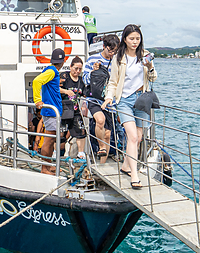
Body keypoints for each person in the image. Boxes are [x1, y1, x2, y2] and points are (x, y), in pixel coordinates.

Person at [103, 24, 157, 189]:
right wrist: (108, 98)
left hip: (142, 100)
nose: (135, 42)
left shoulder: (146, 56)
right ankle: (134, 175)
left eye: (137, 38)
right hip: (124, 101)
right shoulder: (118, 58)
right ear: (124, 39)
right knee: (132, 136)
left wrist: (149, 67)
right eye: (131, 38)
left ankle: (126, 165)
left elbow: (153, 78)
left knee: (139, 137)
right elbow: (113, 82)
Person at [83, 34, 120, 162]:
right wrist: (93, 72)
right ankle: (101, 147)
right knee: (100, 120)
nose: (112, 54)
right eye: (110, 50)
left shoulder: (117, 62)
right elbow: (85, 80)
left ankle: (102, 165)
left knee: (108, 134)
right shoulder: (93, 59)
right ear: (104, 47)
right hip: (94, 98)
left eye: (115, 51)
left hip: (110, 101)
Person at [33, 47, 66, 175]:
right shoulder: (52, 71)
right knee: (49, 140)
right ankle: (44, 168)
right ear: (63, 62)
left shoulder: (50, 70)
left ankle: (49, 165)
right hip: (51, 111)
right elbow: (36, 81)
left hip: (53, 111)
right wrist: (37, 100)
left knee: (52, 139)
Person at [59, 56, 87, 160]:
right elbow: (56, 88)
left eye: (80, 69)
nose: (78, 71)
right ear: (71, 67)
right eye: (76, 68)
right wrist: (66, 91)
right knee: (61, 134)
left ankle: (81, 153)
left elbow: (85, 94)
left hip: (76, 110)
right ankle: (57, 153)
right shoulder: (64, 76)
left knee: (81, 131)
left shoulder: (81, 80)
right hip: (64, 109)